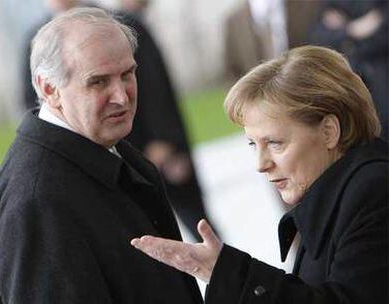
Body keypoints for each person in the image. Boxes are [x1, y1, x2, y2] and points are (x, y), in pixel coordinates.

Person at [131, 46, 388, 303]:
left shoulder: (374, 191)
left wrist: (228, 274)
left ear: (329, 131)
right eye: (254, 144)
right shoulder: (342, 193)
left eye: (275, 143)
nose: (260, 164)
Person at [0, 7, 203, 303]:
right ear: (49, 89)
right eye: (98, 81)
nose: (122, 96)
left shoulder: (109, 147)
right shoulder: (38, 203)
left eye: (127, 74)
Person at [117, 0, 217, 241]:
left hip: (157, 147)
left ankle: (233, 277)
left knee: (199, 225)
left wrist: (163, 139)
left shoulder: (125, 25)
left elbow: (155, 87)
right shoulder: (126, 25)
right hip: (138, 150)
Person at [311, 0, 388, 139]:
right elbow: (320, 38)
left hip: (381, 77)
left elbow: (383, 37)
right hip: (348, 78)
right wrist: (353, 29)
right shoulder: (334, 3)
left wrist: (345, 33)